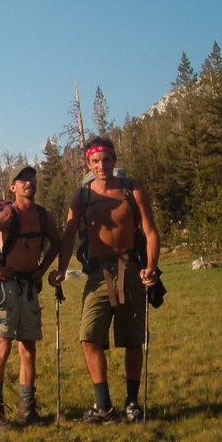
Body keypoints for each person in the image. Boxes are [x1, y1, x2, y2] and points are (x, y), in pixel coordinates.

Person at [50, 136, 160, 423]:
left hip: (130, 270)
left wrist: (151, 267)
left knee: (133, 339)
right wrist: (62, 269)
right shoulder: (82, 195)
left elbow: (150, 232)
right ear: (88, 163)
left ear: (114, 160)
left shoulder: (132, 190)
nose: (101, 165)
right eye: (95, 161)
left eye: (107, 160)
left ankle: (132, 403)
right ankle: (104, 406)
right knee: (89, 336)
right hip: (97, 274)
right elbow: (69, 235)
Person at [0, 164, 61, 432]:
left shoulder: (44, 217)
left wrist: (42, 270)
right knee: (2, 348)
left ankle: (27, 410)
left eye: (32, 179)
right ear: (13, 187)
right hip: (6, 288)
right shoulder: (8, 215)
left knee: (28, 349)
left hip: (29, 286)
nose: (29, 183)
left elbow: (58, 242)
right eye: (23, 180)